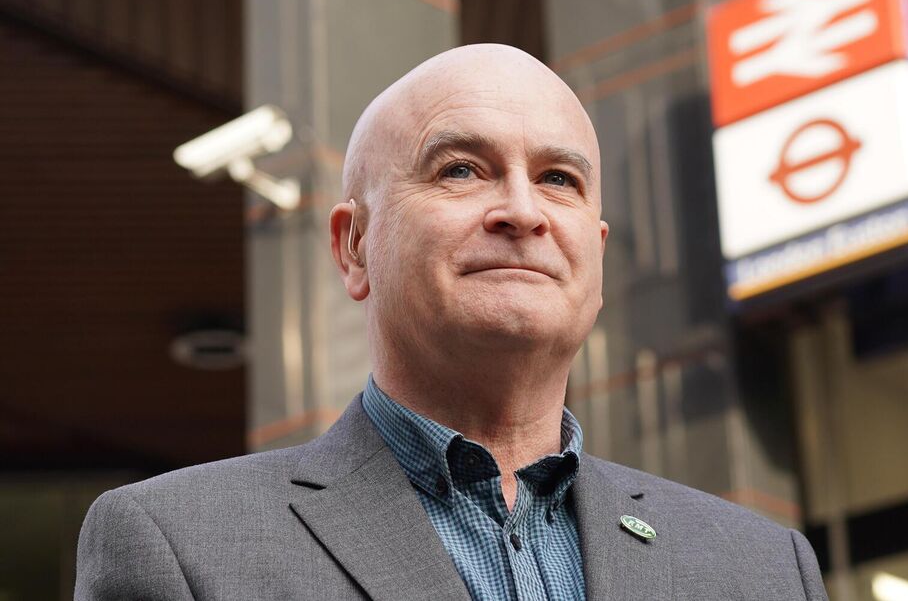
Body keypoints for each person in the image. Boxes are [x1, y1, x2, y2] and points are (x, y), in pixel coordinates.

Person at [75, 44, 828, 601]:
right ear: (355, 244)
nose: (523, 211)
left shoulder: (764, 572)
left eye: (558, 179)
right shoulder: (179, 546)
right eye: (461, 169)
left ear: (596, 257)